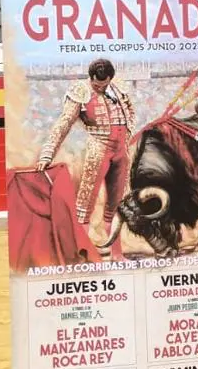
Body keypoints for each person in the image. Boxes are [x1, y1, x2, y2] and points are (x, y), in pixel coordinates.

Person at [35, 58, 135, 256]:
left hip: (121, 150)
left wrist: (128, 132)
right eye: (97, 85)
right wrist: (47, 153)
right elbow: (63, 124)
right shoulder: (80, 91)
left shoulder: (117, 88)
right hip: (98, 148)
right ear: (90, 79)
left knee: (117, 204)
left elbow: (130, 110)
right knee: (85, 203)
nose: (101, 88)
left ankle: (116, 252)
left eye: (105, 84)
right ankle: (81, 252)